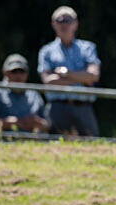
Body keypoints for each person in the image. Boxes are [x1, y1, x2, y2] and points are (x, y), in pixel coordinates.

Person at [37, 6, 101, 136]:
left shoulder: (88, 48)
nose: (64, 24)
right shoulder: (46, 51)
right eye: (60, 20)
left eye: (68, 20)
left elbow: (93, 76)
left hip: (83, 108)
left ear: (76, 24)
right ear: (53, 24)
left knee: (92, 148)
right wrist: (81, 78)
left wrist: (65, 74)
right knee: (53, 148)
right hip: (57, 108)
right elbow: (48, 81)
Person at [0, 54, 50, 133]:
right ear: (5, 73)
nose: (18, 76)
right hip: (3, 142)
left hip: (32, 142)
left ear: (27, 73)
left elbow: (47, 125)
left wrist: (39, 123)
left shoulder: (34, 94)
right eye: (14, 72)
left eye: (22, 72)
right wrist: (12, 123)